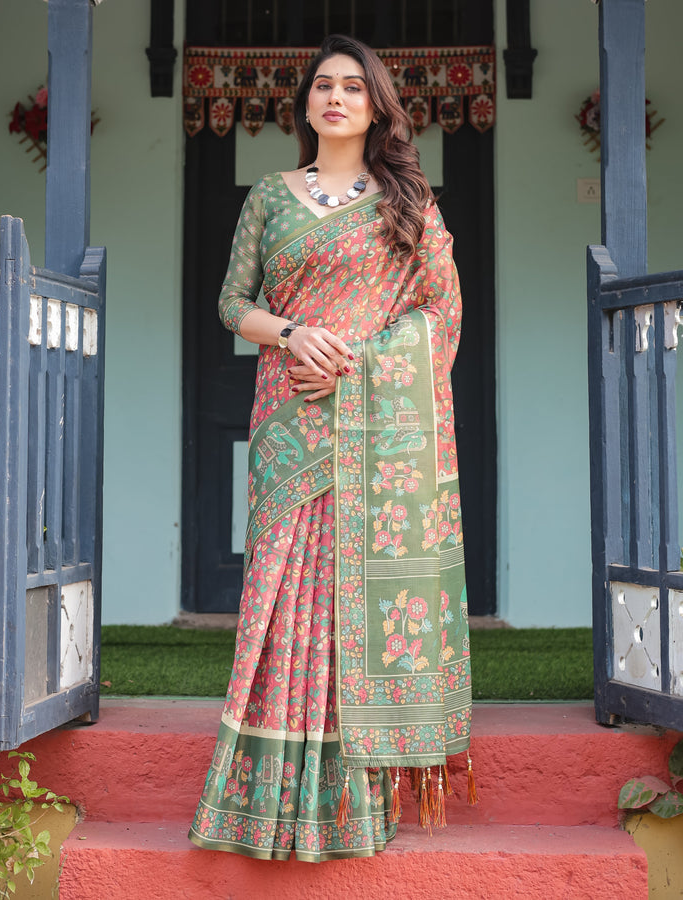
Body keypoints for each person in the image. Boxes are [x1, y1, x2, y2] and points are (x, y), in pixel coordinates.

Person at [189, 33, 473, 863]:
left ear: (377, 104)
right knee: (283, 600)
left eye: (354, 86)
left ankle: (353, 807)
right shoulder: (270, 198)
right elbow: (231, 302)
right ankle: (262, 804)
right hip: (288, 420)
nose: (336, 97)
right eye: (323, 85)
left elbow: (440, 319)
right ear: (306, 103)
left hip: (373, 432)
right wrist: (294, 333)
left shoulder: (410, 203)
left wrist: (361, 365)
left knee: (354, 605)